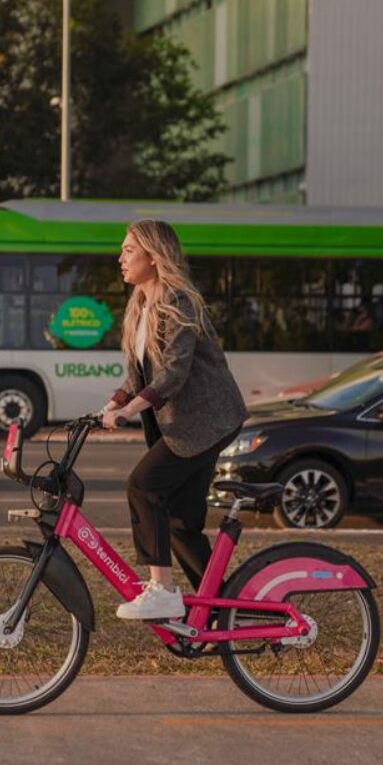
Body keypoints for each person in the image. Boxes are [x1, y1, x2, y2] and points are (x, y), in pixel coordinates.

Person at [100, 220, 247, 620]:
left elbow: (175, 372)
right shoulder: (141, 308)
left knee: (144, 486)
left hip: (208, 420)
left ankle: (162, 589)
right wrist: (113, 403)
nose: (121, 258)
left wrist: (131, 410)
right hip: (188, 424)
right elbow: (138, 375)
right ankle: (221, 611)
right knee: (182, 521)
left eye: (129, 250)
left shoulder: (178, 300)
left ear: (153, 255)